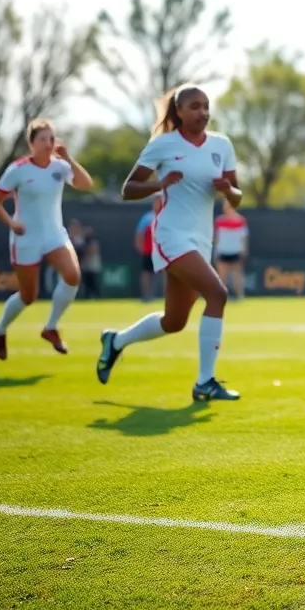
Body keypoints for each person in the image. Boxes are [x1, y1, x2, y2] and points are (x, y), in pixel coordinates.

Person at [96, 85, 242, 402]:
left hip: (201, 240)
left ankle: (115, 341)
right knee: (217, 293)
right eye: (194, 106)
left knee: (174, 322)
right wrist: (158, 185)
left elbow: (238, 196)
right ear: (178, 111)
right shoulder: (163, 145)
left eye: (206, 106)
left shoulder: (221, 144)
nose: (202, 112)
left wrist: (228, 190)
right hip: (171, 236)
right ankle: (205, 383)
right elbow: (128, 188)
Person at [0, 119, 95, 359]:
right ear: (31, 143)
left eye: (52, 138)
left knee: (73, 275)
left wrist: (69, 158)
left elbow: (86, 184)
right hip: (26, 239)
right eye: (43, 139)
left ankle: (51, 327)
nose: (48, 144)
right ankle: (0, 328)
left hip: (54, 235)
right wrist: (12, 223)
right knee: (28, 296)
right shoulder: (18, 169)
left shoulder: (60, 167)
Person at [212, 199, 250, 300]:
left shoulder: (240, 220)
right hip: (223, 251)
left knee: (237, 274)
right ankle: (222, 296)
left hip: (236, 251)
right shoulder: (219, 221)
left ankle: (239, 295)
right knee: (222, 276)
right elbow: (216, 237)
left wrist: (243, 249)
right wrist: (216, 251)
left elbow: (244, 237)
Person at [135, 198, 160, 302]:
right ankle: (146, 295)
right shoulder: (147, 218)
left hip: (162, 252)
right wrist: (139, 247)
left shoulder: (166, 216)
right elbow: (139, 234)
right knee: (146, 273)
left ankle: (162, 295)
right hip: (148, 252)